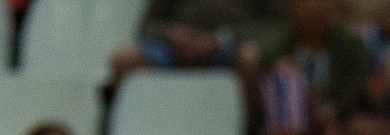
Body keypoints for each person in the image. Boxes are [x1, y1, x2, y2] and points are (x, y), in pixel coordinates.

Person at [255, 0, 375, 135]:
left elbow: (357, 96)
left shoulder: (351, 45)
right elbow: (267, 100)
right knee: (285, 134)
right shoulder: (275, 48)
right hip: (291, 117)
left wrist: (326, 110)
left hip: (334, 117)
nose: (315, 6)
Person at [112, 0, 283, 83]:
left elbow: (274, 23)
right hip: (174, 49)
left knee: (249, 60)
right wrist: (172, 35)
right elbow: (148, 26)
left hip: (231, 48)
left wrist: (221, 39)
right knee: (124, 60)